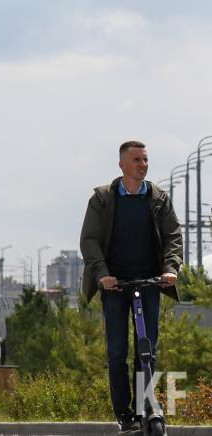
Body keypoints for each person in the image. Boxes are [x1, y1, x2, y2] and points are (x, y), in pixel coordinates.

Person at [80, 140, 182, 434]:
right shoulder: (103, 199)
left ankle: (146, 407)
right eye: (137, 160)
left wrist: (170, 269)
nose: (143, 165)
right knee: (117, 351)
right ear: (122, 164)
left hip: (150, 281)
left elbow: (173, 236)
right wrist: (103, 274)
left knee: (147, 349)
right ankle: (124, 413)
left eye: (146, 160)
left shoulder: (159, 198)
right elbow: (90, 241)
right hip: (114, 284)